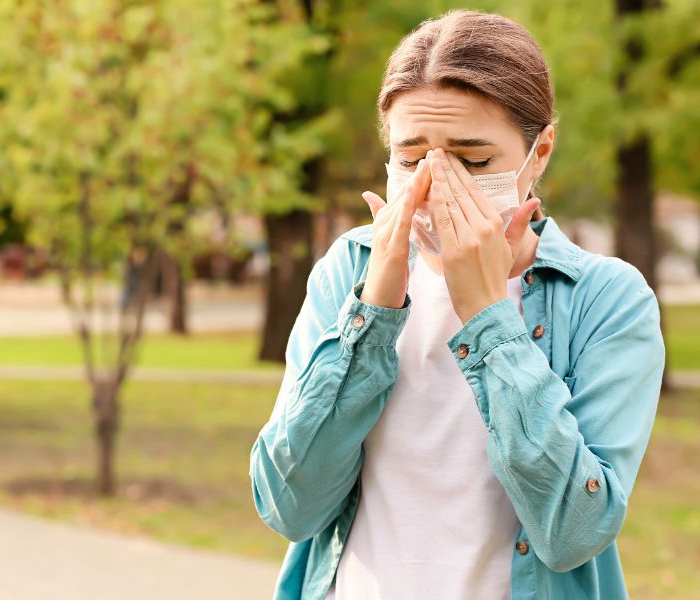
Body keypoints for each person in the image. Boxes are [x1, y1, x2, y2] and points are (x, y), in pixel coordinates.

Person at [250, 9, 665, 600]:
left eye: (473, 161)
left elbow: (574, 532)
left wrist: (490, 320)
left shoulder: (609, 300)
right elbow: (289, 508)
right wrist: (372, 312)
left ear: (539, 150)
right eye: (411, 158)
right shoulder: (348, 269)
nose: (434, 185)